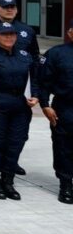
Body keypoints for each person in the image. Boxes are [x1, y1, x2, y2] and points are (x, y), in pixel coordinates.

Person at [0, 22, 39, 200]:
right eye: (4, 35)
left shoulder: (25, 55)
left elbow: (33, 77)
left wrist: (35, 95)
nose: (8, 37)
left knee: (15, 143)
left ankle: (8, 181)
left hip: (19, 104)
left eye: (11, 34)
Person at [39, 19, 73, 204]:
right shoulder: (57, 53)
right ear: (69, 33)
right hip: (66, 108)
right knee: (64, 147)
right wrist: (45, 105)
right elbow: (44, 81)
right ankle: (66, 185)